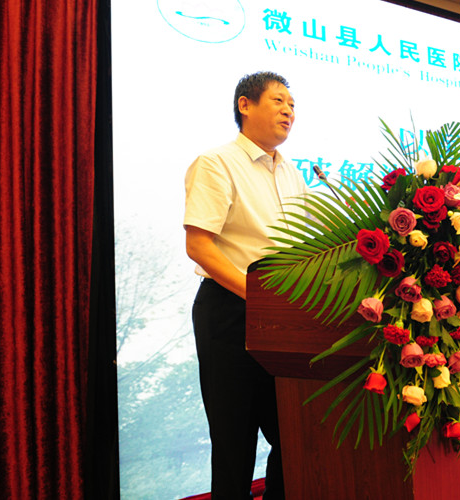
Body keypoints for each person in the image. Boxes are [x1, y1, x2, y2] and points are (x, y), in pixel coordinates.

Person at [184, 71, 308, 500]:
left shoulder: (292, 174)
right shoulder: (216, 163)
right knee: (234, 445)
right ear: (245, 105)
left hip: (282, 317)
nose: (289, 111)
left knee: (292, 435)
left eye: (292, 105)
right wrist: (259, 298)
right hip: (230, 313)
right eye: (278, 101)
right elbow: (199, 246)